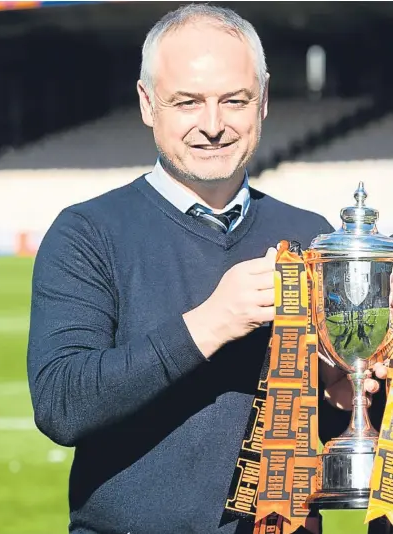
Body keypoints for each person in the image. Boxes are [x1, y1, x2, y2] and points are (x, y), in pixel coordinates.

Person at [27, 4, 388, 534]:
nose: (214, 125)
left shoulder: (311, 235)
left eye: (234, 101)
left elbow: (327, 427)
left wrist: (340, 396)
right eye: (188, 102)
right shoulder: (87, 233)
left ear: (262, 101)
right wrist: (212, 322)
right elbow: (61, 405)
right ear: (149, 104)